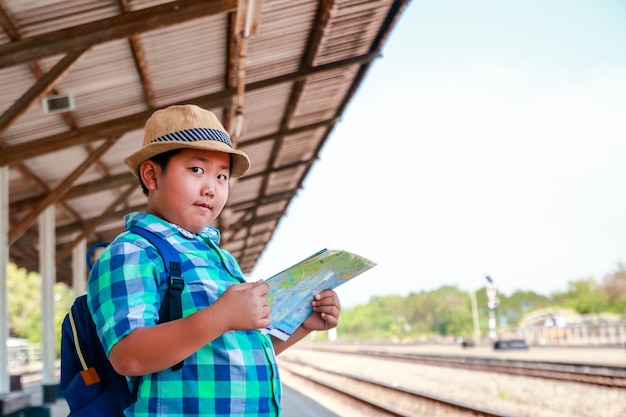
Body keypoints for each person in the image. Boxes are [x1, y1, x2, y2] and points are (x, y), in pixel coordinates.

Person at [87, 104, 341, 417]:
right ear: (151, 175)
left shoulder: (221, 258)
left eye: (222, 176)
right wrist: (220, 316)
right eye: (197, 170)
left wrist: (301, 325)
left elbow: (235, 348)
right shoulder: (133, 252)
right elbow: (129, 356)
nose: (211, 188)